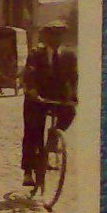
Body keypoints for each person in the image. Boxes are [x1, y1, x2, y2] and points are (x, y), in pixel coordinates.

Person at [20, 20, 77, 186]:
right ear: (46, 36)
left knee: (70, 112)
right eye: (52, 34)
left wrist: (72, 96)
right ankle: (28, 171)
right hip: (37, 98)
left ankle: (52, 140)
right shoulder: (36, 53)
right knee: (33, 132)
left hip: (57, 97)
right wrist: (32, 92)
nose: (56, 38)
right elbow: (29, 75)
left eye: (59, 34)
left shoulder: (69, 56)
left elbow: (73, 78)